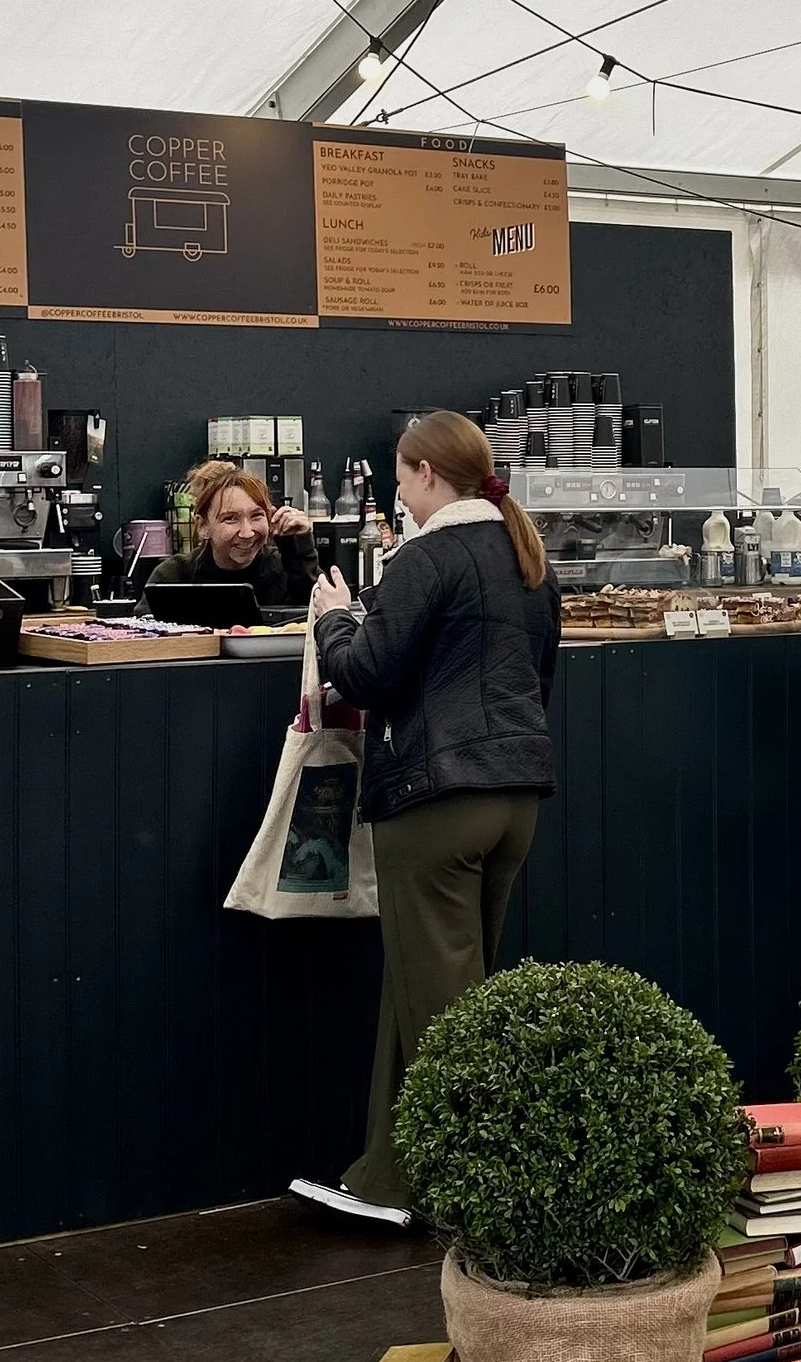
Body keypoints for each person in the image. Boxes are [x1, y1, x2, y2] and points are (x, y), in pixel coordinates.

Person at [288, 412, 560, 1227]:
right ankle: (385, 1178)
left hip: (434, 804)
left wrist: (335, 615)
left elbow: (365, 673)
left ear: (428, 475)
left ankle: (482, 1197)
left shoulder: (428, 554)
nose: (398, 493)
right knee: (427, 992)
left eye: (401, 477)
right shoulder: (529, 561)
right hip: (514, 799)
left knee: (446, 1014)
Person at [145, 460, 318, 606]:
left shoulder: (285, 572)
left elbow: (326, 618)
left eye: (257, 516)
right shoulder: (173, 577)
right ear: (202, 526)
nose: (247, 532)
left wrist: (301, 549)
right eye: (230, 519)